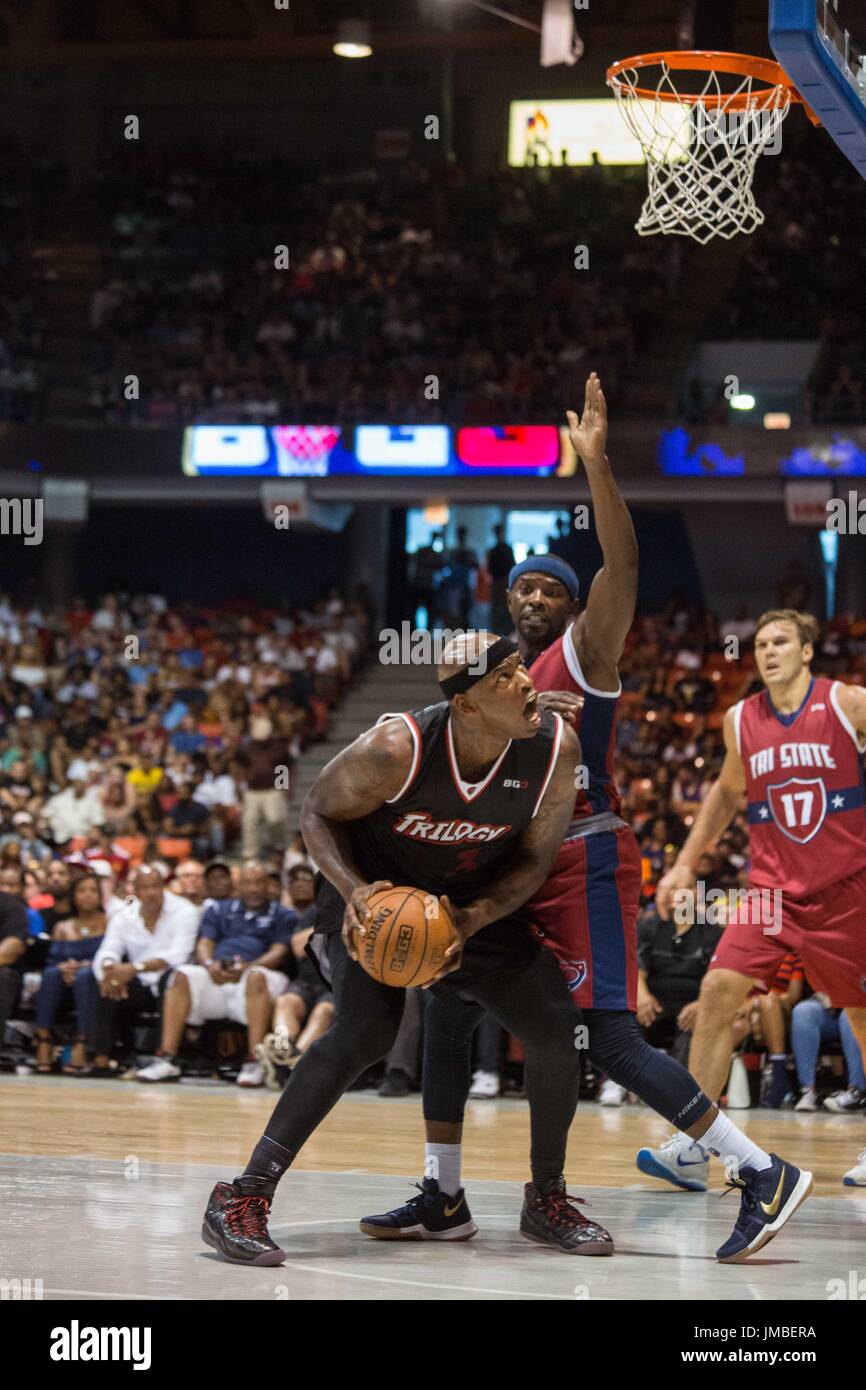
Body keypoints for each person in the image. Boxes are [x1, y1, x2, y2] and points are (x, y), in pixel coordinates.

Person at [365, 374, 810, 1264]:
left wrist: (598, 468)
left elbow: (624, 564)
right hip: (514, 864)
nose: (533, 599)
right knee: (449, 1001)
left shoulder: (586, 652)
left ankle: (757, 1170)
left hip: (587, 858)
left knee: (602, 1033)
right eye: (523, 589)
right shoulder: (497, 684)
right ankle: (445, 1192)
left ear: (573, 609)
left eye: (550, 591)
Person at [201, 631, 598, 1265]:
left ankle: (546, 1199)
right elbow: (316, 813)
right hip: (377, 899)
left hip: (470, 902)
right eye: (504, 677)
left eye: (521, 667)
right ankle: (242, 1196)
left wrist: (472, 920)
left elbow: (532, 863)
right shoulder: (395, 748)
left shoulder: (554, 749)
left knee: (556, 1029)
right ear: (466, 705)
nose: (526, 682)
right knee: (365, 1035)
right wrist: (354, 892)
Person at [649, 608, 866, 1189]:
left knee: (864, 1016)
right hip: (772, 895)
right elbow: (725, 793)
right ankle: (693, 1145)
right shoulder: (742, 719)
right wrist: (685, 864)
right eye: (761, 643)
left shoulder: (847, 704)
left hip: (845, 891)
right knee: (719, 990)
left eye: (781, 642)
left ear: (806, 651)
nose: (768, 651)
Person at [136, 861, 295, 1088]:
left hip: (263, 977)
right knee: (181, 975)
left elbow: (279, 952)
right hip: (219, 975)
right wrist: (210, 964)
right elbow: (205, 943)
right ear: (237, 885)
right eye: (247, 883)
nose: (253, 889)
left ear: (268, 884)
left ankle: (255, 1060)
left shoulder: (283, 914)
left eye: (258, 882)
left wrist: (249, 967)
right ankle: (166, 1058)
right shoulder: (218, 909)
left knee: (256, 976)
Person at [89, 866, 199, 1075]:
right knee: (108, 982)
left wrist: (135, 967)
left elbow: (179, 955)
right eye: (145, 887)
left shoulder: (185, 911)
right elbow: (108, 950)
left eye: (156, 886)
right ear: (135, 890)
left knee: (169, 980)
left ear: (164, 887)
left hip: (174, 984)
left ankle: (165, 1058)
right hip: (138, 983)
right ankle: (103, 1057)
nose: (151, 892)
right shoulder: (125, 914)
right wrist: (109, 969)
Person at [258, 864, 335, 1089]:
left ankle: (292, 1065)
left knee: (323, 1012)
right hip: (306, 981)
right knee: (285, 1002)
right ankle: (284, 1050)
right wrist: (328, 922)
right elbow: (298, 948)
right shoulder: (316, 910)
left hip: (333, 985)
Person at [33, 871, 106, 1074]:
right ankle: (43, 1038)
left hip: (96, 986)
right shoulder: (61, 927)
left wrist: (84, 966)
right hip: (63, 986)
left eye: (93, 890)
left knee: (85, 975)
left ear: (100, 895)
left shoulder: (111, 923)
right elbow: (52, 961)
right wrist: (62, 968)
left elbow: (112, 957)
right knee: (50, 973)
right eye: (82, 890)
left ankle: (82, 1041)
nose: (88, 895)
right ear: (73, 896)